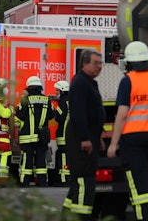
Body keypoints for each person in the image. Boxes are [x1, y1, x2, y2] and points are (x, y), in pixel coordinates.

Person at [106, 41, 148, 221]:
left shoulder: (128, 81)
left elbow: (122, 115)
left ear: (129, 62)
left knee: (141, 190)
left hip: (134, 140)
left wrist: (113, 144)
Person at [62, 49, 105, 217]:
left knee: (78, 185)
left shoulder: (90, 83)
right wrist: (85, 138)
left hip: (89, 137)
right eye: (95, 63)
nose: (99, 67)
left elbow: (92, 113)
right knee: (84, 182)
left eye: (100, 63)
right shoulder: (80, 82)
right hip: (80, 140)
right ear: (84, 64)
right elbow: (78, 113)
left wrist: (98, 135)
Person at [15, 75, 55, 186]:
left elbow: (19, 115)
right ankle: (42, 182)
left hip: (28, 136)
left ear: (29, 87)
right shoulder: (47, 99)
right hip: (42, 136)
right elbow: (52, 115)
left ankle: (25, 182)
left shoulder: (25, 100)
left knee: (27, 159)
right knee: (41, 159)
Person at [52, 80, 71, 185]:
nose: (56, 92)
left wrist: (54, 111)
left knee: (63, 156)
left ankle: (64, 179)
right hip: (72, 135)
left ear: (62, 91)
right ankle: (68, 178)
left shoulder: (63, 102)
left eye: (57, 90)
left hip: (63, 135)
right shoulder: (73, 100)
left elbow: (59, 118)